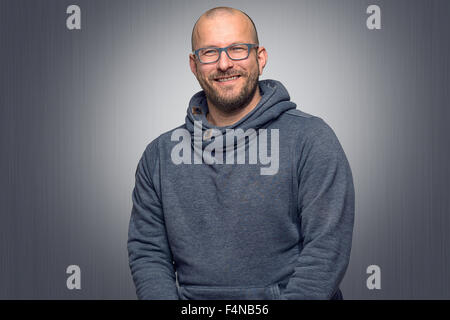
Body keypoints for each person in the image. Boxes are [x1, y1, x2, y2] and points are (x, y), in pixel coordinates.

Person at [127, 6, 355, 300]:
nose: (224, 64)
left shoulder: (311, 139)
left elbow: (327, 251)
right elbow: (148, 253)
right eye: (209, 52)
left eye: (237, 49)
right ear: (194, 64)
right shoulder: (159, 155)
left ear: (260, 58)